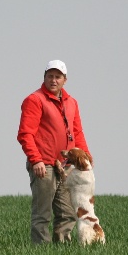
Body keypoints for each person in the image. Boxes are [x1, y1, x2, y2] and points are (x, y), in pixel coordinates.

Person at [17, 60, 92, 244]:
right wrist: (36, 160)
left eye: (58, 76)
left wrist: (87, 158)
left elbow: (77, 133)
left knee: (67, 214)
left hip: (66, 167)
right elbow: (25, 134)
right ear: (44, 78)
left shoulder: (71, 102)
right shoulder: (35, 100)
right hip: (44, 165)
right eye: (50, 76)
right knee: (42, 215)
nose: (53, 80)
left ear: (65, 80)